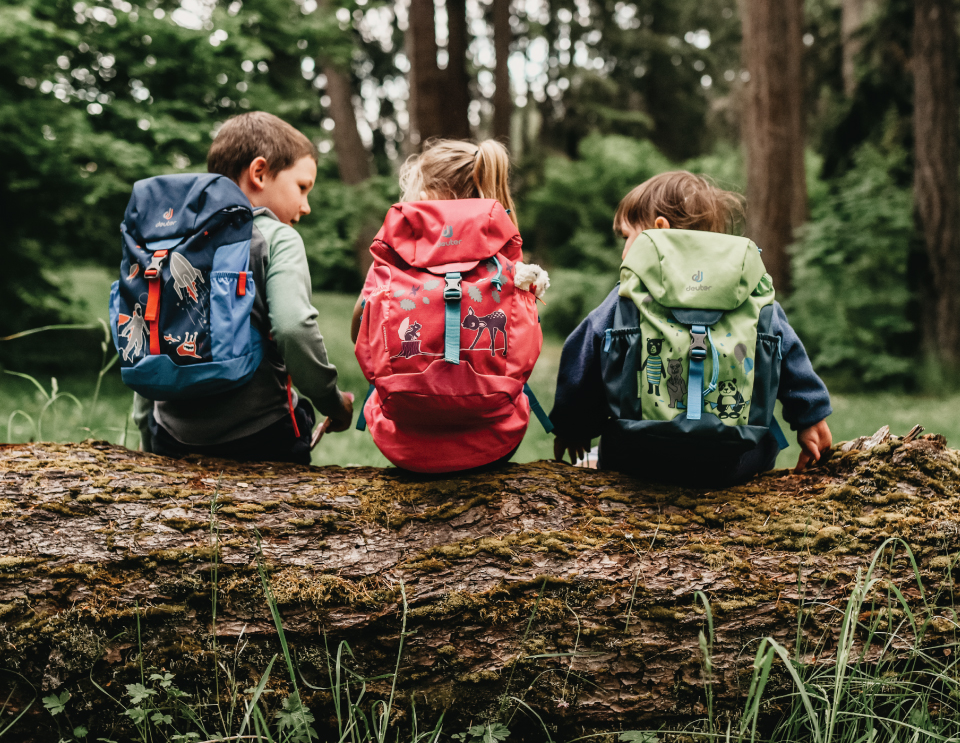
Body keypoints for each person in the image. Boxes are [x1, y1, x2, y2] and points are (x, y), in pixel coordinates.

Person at [550, 170, 832, 485]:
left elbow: (583, 357)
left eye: (627, 236)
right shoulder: (750, 291)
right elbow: (785, 348)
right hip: (735, 461)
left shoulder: (628, 297)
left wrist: (572, 428)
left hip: (637, 459)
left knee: (613, 443)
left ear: (659, 229)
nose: (624, 251)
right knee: (762, 443)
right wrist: (811, 417)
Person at [133, 111, 353, 464]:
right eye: (302, 187)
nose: (306, 206)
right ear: (259, 173)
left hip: (172, 437)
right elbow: (294, 328)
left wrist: (148, 433)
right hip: (262, 437)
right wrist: (333, 403)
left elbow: (153, 335)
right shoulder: (278, 237)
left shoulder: (171, 241)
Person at [351, 139, 549, 473]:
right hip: (495, 439)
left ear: (425, 199)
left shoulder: (394, 260)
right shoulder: (505, 261)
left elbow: (360, 332)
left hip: (403, 441)